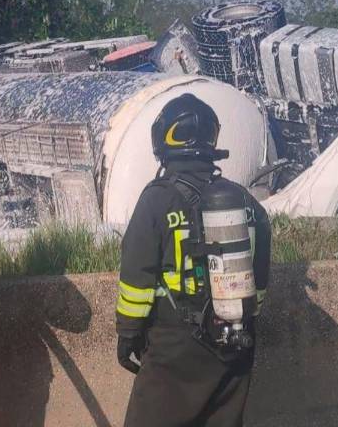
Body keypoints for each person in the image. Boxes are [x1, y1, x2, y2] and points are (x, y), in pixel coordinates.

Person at [116, 94, 272, 427]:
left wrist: (128, 332)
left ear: (163, 141)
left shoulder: (158, 198)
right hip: (236, 339)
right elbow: (259, 272)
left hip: (177, 345)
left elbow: (136, 273)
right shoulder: (241, 199)